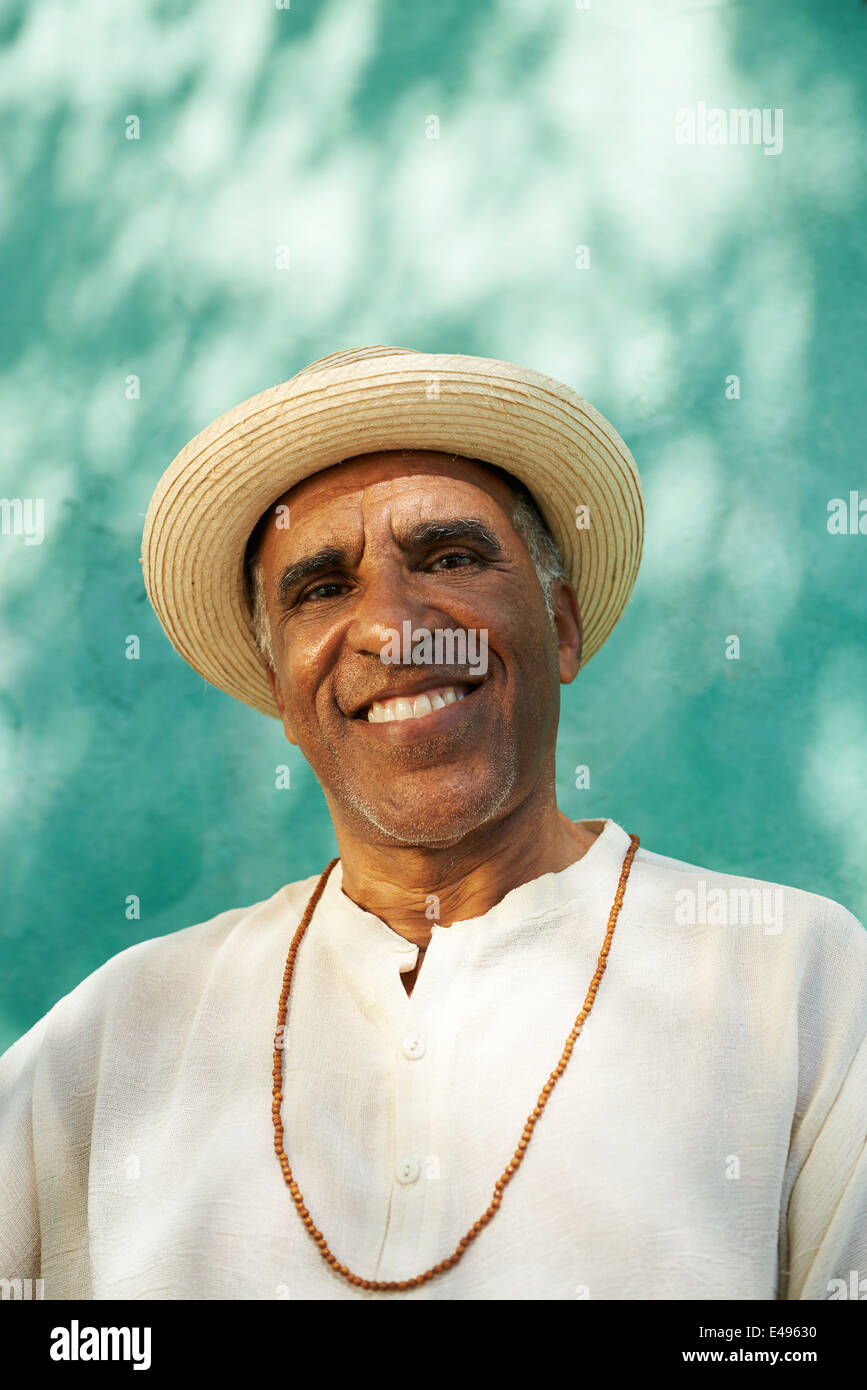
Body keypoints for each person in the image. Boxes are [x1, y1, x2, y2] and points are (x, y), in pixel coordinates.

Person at [1, 346, 864, 1300]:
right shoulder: (118, 1034)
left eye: (450, 558)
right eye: (322, 589)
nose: (397, 629)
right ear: (284, 693)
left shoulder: (798, 980)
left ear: (561, 624)